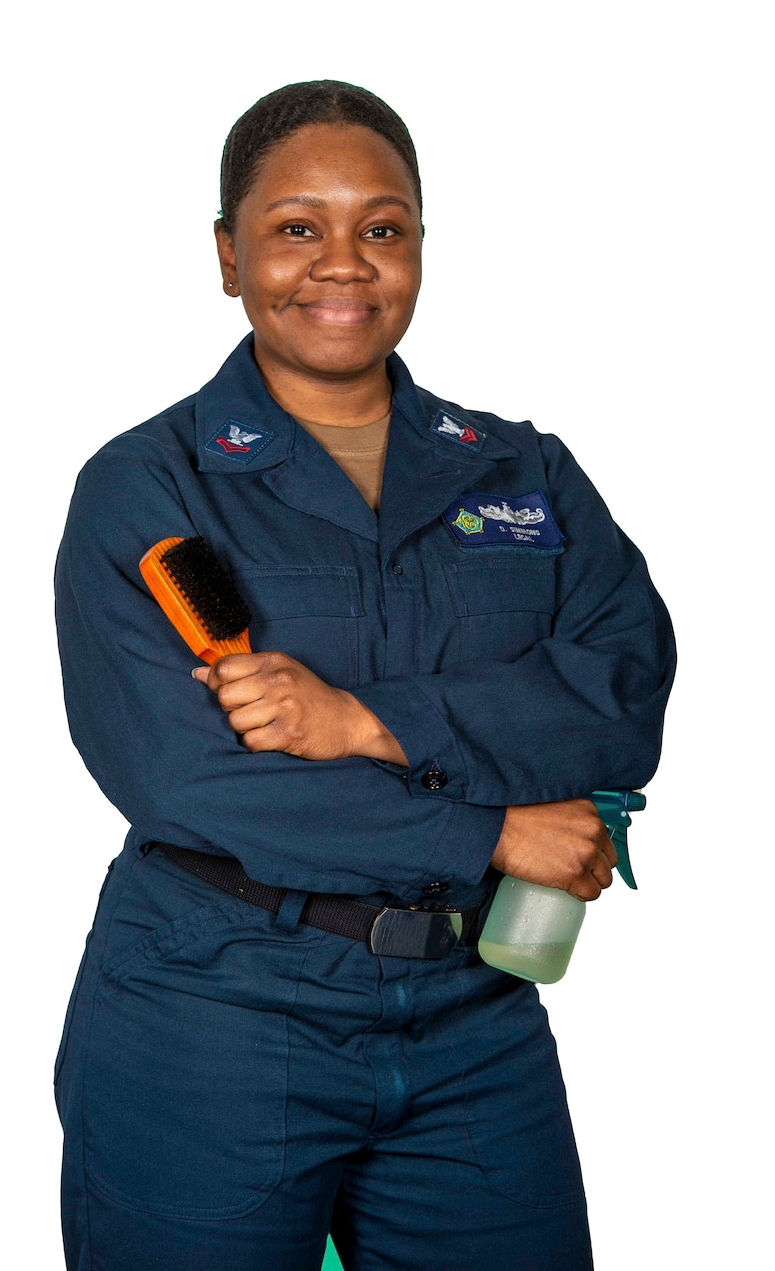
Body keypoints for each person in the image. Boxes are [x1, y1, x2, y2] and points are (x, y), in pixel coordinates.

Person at [54, 80, 675, 1271]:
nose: (341, 263)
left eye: (381, 228)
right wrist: (491, 832)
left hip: (473, 1015)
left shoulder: (523, 471)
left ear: (421, 250)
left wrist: (367, 720)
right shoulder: (150, 485)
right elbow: (192, 780)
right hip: (214, 1009)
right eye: (296, 227)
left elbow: (621, 690)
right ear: (228, 255)